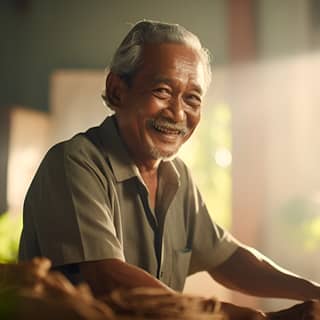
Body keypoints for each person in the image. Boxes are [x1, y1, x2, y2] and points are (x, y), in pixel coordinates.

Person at [18, 20, 320, 319]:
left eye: (192, 98)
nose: (177, 113)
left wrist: (313, 291)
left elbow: (228, 258)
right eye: (162, 91)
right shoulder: (74, 163)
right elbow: (107, 278)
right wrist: (244, 316)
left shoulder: (178, 177)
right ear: (117, 91)